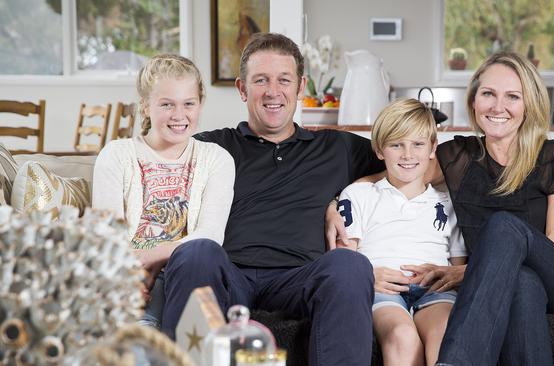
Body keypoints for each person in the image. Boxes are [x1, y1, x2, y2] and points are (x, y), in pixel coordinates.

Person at [328, 52, 554, 365]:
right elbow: (398, 172)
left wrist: (468, 273)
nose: (498, 107)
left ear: (530, 104)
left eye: (512, 96)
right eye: (488, 94)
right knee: (523, 284)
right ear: (473, 101)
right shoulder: (460, 157)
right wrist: (336, 203)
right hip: (522, 287)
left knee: (504, 227)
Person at [163, 33, 385, 365]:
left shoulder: (336, 148)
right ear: (242, 88)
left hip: (301, 278)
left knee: (349, 265)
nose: (273, 91)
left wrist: (343, 196)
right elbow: (148, 169)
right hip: (229, 273)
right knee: (197, 251)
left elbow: (410, 165)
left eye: (284, 80)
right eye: (260, 80)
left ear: (300, 86)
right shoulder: (210, 147)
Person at [92, 54, 235, 329]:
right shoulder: (116, 155)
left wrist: (151, 256)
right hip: (129, 277)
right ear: (145, 106)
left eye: (188, 104)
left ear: (201, 104)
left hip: (187, 275)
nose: (179, 115)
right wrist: (128, 275)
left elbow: (210, 235)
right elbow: (106, 237)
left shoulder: (216, 159)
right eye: (167, 104)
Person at [336, 98, 467, 365]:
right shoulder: (358, 194)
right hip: (382, 289)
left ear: (433, 148)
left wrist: (444, 278)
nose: (408, 154)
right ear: (380, 150)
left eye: (418, 144)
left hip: (435, 290)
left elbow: (457, 268)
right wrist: (367, 277)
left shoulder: (447, 202)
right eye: (396, 145)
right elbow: (343, 262)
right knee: (401, 335)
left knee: (445, 333)